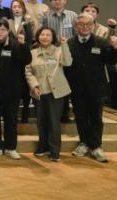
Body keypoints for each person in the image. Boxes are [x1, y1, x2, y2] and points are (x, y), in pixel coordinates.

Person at [66, 13, 117, 162]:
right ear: (76, 26)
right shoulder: (69, 43)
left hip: (96, 88)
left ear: (93, 26)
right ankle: (83, 143)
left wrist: (115, 47)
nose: (85, 27)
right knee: (80, 117)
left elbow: (112, 61)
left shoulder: (101, 42)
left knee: (96, 117)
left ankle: (96, 146)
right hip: (77, 88)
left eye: (88, 24)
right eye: (81, 24)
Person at [0, 19, 32, 160]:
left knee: (11, 119)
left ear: (8, 31)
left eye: (3, 29)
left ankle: (10, 148)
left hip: (12, 90)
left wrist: (23, 45)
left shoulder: (16, 44)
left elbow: (27, 60)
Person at [25, 27, 72, 161]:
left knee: (54, 122)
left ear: (53, 38)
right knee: (41, 121)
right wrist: (34, 86)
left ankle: (54, 151)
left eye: (48, 35)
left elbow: (68, 62)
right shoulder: (32, 53)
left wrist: (64, 45)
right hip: (39, 92)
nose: (44, 37)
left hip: (55, 92)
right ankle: (43, 147)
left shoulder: (59, 51)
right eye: (42, 34)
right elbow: (28, 71)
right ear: (38, 37)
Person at [8, 0, 35, 123]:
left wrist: (27, 25)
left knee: (25, 87)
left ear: (23, 8)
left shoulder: (29, 21)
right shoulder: (8, 22)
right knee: (14, 87)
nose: (17, 9)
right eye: (14, 7)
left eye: (19, 6)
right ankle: (13, 115)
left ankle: (25, 115)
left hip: (25, 57)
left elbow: (30, 40)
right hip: (11, 58)